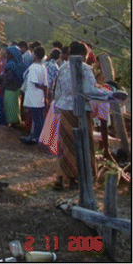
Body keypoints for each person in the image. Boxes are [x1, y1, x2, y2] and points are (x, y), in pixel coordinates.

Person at [52, 41, 127, 189]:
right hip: (80, 111)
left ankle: (61, 178)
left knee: (66, 144)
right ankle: (75, 178)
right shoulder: (86, 69)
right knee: (83, 144)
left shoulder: (63, 67)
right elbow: (90, 91)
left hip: (65, 110)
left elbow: (58, 91)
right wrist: (112, 95)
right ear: (83, 55)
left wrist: (57, 110)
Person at [20, 46, 49, 144]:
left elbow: (35, 82)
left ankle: (36, 137)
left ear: (35, 55)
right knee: (39, 117)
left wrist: (40, 88)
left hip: (33, 96)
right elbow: (45, 84)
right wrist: (45, 96)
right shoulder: (43, 67)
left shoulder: (33, 67)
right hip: (39, 96)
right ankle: (36, 136)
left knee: (36, 118)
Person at [1, 46, 26, 128]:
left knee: (9, 105)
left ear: (11, 54)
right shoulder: (21, 63)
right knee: (16, 105)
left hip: (9, 88)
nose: (6, 54)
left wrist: (2, 78)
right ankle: (17, 121)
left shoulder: (9, 64)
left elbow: (8, 77)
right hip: (18, 87)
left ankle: (11, 122)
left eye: (8, 53)